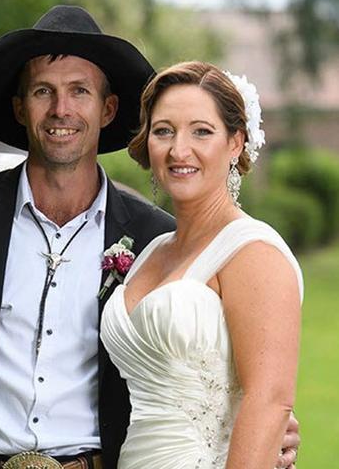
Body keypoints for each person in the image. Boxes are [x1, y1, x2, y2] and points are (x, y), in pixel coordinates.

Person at [0, 7, 300, 469]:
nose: (62, 109)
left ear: (108, 110)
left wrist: (263, 421)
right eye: (44, 91)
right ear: (20, 109)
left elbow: (210, 365)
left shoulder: (153, 238)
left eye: (80, 91)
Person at [100, 61, 303, 468]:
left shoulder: (254, 252)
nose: (179, 150)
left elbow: (269, 401)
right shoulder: (151, 251)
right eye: (163, 131)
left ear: (235, 142)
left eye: (201, 131)